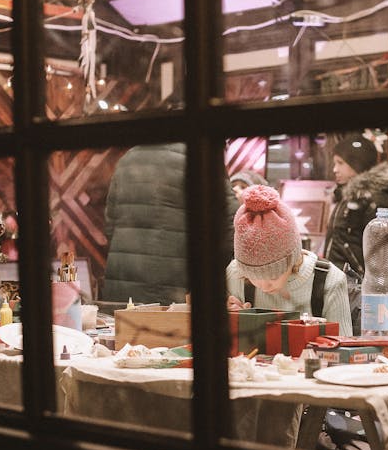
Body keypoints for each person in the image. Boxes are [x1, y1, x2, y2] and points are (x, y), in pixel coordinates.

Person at [102, 142, 238, 305]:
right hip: (177, 290)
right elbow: (231, 225)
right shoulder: (200, 157)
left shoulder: (127, 160)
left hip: (122, 287)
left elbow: (110, 227)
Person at [226, 185, 352, 336]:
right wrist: (231, 324)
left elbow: (344, 348)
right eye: (253, 276)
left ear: (293, 259)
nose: (264, 286)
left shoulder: (330, 281)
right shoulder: (235, 274)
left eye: (273, 275)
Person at [323, 132, 388, 276]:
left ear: (357, 164)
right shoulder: (346, 197)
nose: (334, 169)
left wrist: (370, 291)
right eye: (334, 163)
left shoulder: (377, 202)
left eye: (340, 163)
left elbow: (382, 260)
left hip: (360, 291)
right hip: (340, 285)